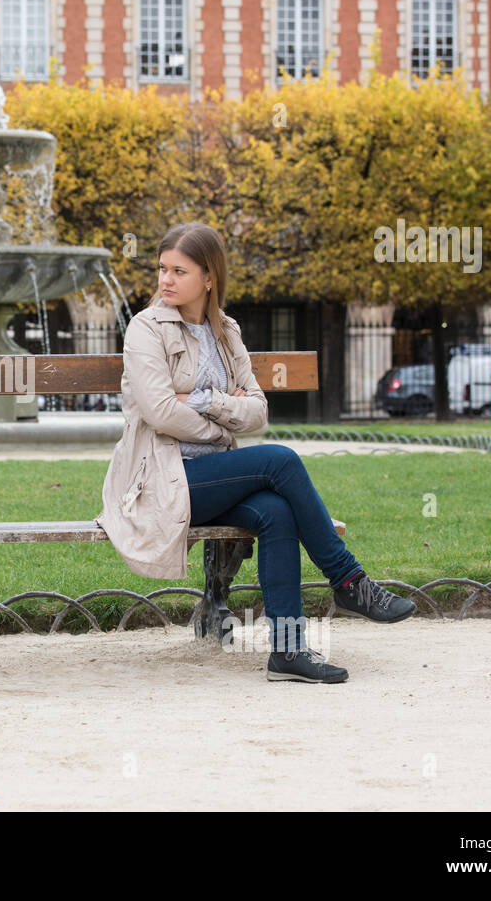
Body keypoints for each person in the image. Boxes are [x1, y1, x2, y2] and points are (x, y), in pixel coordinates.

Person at [97, 222, 416, 685]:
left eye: (178, 271)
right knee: (279, 460)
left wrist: (205, 402)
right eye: (162, 269)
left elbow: (258, 412)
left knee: (275, 511)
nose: (165, 280)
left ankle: (287, 651)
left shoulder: (226, 332)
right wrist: (223, 417)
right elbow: (162, 412)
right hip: (161, 479)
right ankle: (349, 581)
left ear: (209, 277)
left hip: (213, 474)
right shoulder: (146, 329)